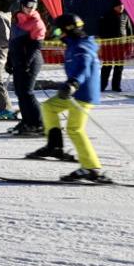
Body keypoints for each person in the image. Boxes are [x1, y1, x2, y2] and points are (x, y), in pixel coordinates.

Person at [26, 13, 110, 183]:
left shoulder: (81, 47)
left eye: (58, 31)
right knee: (49, 107)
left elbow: (84, 67)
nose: (56, 35)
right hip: (73, 93)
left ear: (68, 30)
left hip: (82, 94)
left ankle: (91, 168)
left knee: (75, 129)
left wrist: (73, 83)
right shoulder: (75, 44)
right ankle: (54, 146)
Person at [5, 0, 45, 135]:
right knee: (19, 92)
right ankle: (27, 121)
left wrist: (27, 63)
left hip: (31, 60)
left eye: (34, 5)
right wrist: (10, 61)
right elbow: (13, 43)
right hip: (18, 60)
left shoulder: (36, 22)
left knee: (27, 92)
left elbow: (36, 46)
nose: (31, 8)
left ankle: (40, 123)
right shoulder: (17, 20)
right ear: (21, 5)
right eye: (28, 5)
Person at [98, 0, 133, 93]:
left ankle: (116, 86)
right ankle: (101, 85)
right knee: (107, 66)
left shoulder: (125, 16)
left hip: (121, 46)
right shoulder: (106, 15)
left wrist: (130, 44)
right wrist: (104, 41)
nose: (121, 7)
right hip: (109, 45)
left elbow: (129, 31)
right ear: (114, 7)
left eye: (122, 5)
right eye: (119, 5)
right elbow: (101, 30)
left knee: (119, 67)